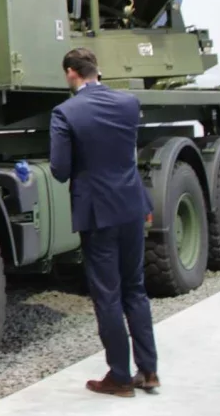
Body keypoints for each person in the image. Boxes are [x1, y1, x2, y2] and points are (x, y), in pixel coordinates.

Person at [50, 48, 158, 397]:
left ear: (71, 72)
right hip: (131, 204)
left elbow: (60, 169)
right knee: (135, 288)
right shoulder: (128, 103)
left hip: (97, 212)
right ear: (96, 70)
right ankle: (149, 370)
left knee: (108, 295)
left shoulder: (66, 112)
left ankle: (120, 377)